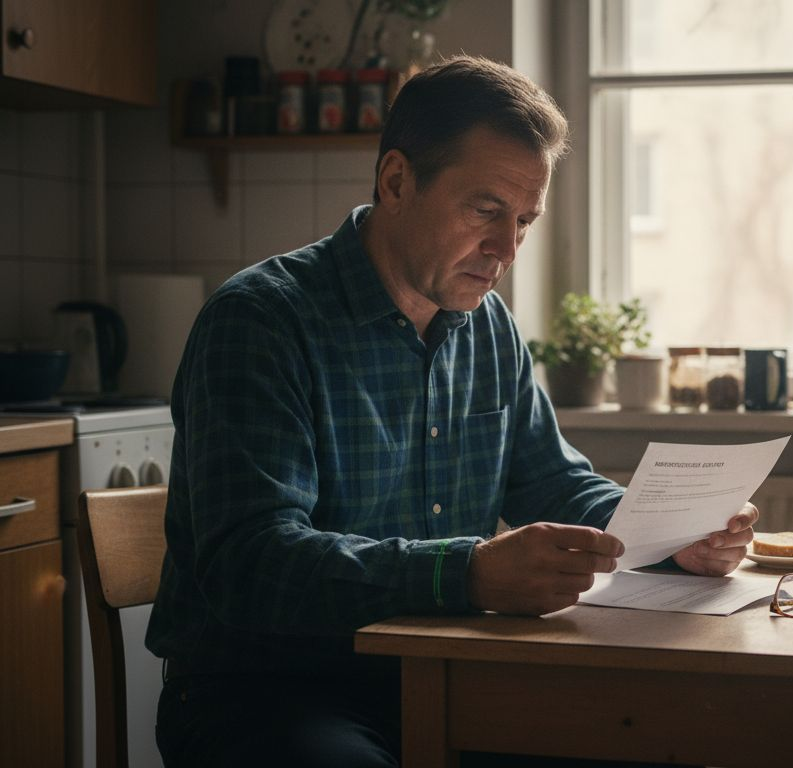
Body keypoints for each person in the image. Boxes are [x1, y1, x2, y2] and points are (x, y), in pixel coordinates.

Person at [146, 54, 758, 768]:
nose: (506, 250)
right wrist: (466, 574)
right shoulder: (260, 322)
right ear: (398, 181)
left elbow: (554, 484)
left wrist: (670, 534)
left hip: (446, 675)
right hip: (268, 692)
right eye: (486, 210)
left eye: (524, 221)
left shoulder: (488, 326)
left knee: (658, 738)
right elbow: (250, 564)